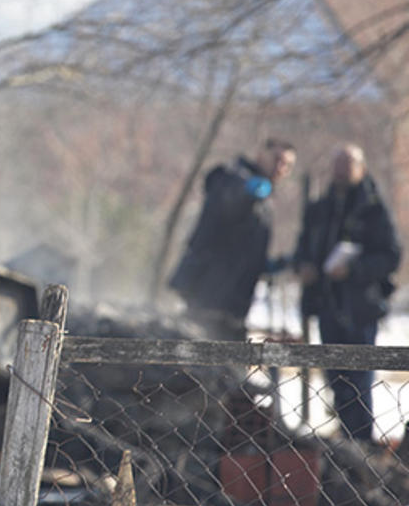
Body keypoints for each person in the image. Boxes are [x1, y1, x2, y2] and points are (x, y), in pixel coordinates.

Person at [294, 144, 400, 441]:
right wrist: (305, 267)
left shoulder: (373, 210)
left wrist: (353, 270)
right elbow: (302, 249)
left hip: (360, 307)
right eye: (337, 163)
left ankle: (363, 447)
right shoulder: (319, 209)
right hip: (327, 305)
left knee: (360, 380)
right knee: (335, 379)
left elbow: (390, 256)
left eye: (348, 164)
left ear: (361, 168)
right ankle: (345, 445)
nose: (341, 170)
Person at [169, 138, 296, 341]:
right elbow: (229, 202)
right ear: (261, 154)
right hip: (208, 293)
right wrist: (248, 192)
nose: (280, 167)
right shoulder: (232, 177)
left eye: (287, 165)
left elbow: (245, 250)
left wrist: (272, 265)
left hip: (235, 301)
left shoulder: (265, 203)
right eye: (277, 159)